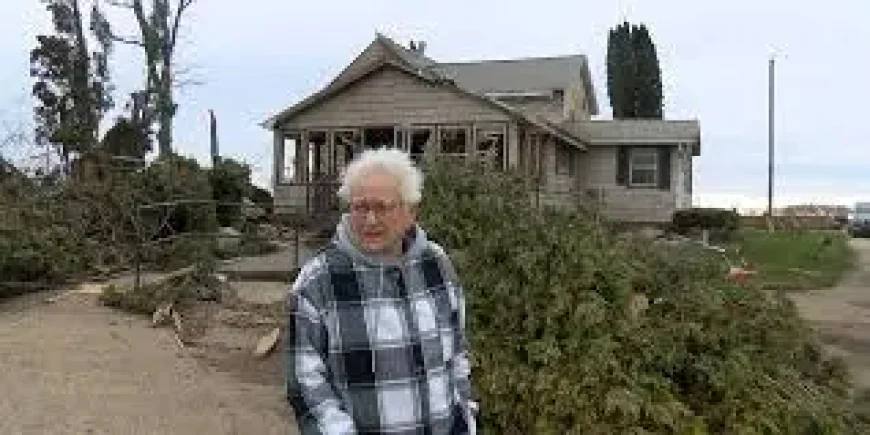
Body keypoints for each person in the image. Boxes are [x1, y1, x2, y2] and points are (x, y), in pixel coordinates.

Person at [286, 148, 477, 434]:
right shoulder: (318, 279)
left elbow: (457, 352)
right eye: (360, 207)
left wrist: (467, 416)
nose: (370, 220)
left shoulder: (437, 264)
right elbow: (307, 384)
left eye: (382, 207)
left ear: (410, 211)